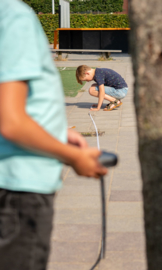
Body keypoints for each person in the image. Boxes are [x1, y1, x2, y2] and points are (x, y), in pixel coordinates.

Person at [0, 1, 107, 269]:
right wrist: (74, 157)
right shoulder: (13, 15)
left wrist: (53, 133)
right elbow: (10, 122)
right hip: (18, 189)